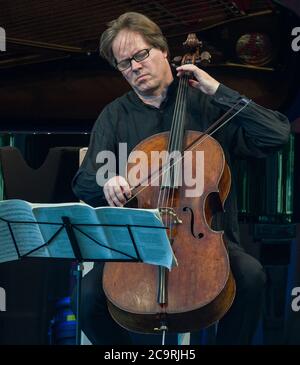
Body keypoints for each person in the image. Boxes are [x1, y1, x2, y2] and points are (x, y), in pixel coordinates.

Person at [71, 12, 290, 345]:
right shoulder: (115, 115)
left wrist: (217, 89)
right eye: (124, 63)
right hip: (138, 243)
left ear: (162, 51)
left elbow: (277, 135)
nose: (135, 67)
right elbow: (83, 183)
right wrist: (107, 183)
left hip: (205, 241)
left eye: (141, 55)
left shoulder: (209, 104)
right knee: (88, 299)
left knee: (251, 277)